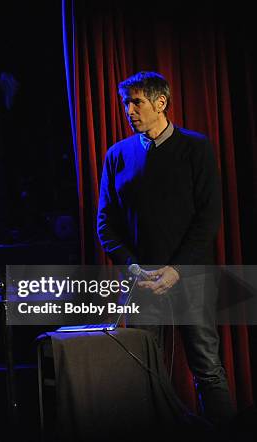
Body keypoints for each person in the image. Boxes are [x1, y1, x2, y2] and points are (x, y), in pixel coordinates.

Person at [96, 71, 236, 426]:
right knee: (144, 370)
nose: (129, 110)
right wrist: (131, 266)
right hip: (142, 281)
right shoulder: (118, 155)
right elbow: (105, 224)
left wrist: (176, 270)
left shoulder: (195, 147)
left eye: (137, 102)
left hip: (191, 276)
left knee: (207, 366)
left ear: (161, 103)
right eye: (126, 103)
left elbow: (208, 217)